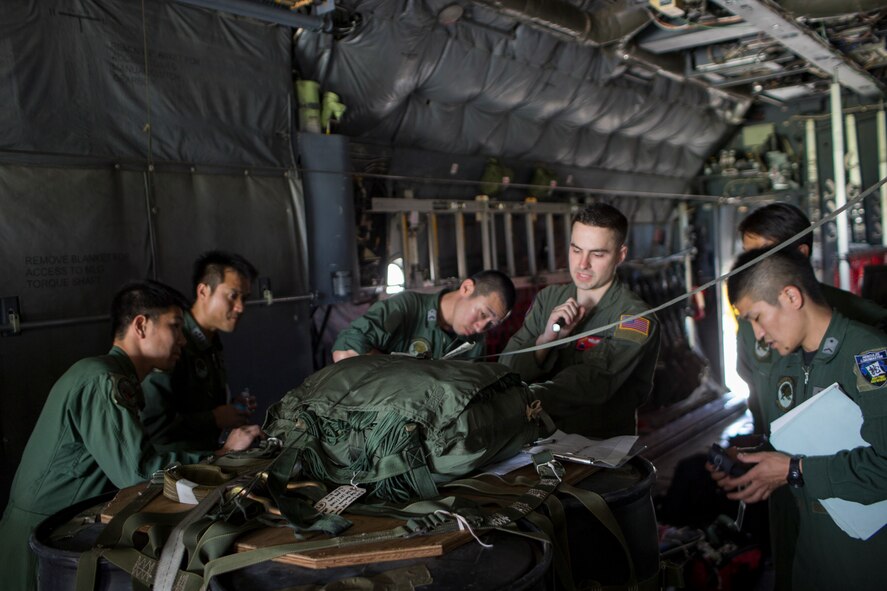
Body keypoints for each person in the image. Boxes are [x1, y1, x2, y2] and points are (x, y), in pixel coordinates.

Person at [0, 280, 263, 590]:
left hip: (57, 527)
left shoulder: (111, 376)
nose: (182, 340)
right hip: (41, 536)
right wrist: (220, 455)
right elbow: (136, 471)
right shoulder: (102, 380)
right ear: (141, 325)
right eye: (174, 327)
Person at [713, 248, 887, 591]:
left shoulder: (869, 356)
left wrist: (795, 470)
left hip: (866, 563)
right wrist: (754, 461)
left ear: (791, 297)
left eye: (757, 317)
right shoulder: (786, 366)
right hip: (812, 558)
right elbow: (801, 444)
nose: (757, 334)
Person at [499, 202, 660, 438]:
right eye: (576, 250)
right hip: (539, 440)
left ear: (620, 255)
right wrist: (546, 340)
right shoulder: (549, 298)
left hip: (599, 445)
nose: (583, 264)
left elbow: (593, 382)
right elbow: (507, 369)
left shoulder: (634, 318)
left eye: (597, 254)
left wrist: (522, 401)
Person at [736, 203, 887, 435]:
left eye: (761, 255)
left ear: (800, 253)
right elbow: (752, 388)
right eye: (747, 257)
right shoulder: (750, 325)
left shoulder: (866, 323)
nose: (750, 268)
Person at [141, 251, 259, 449]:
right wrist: (215, 418)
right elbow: (155, 428)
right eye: (233, 296)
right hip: (176, 463)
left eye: (244, 298)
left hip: (206, 455)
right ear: (203, 291)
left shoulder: (211, 341)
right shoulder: (172, 340)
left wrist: (230, 408)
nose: (240, 307)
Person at [331, 269, 515, 362]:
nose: (481, 327)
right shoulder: (409, 307)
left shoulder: (475, 343)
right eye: (483, 314)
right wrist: (406, 378)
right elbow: (345, 350)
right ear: (466, 288)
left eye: (491, 324)